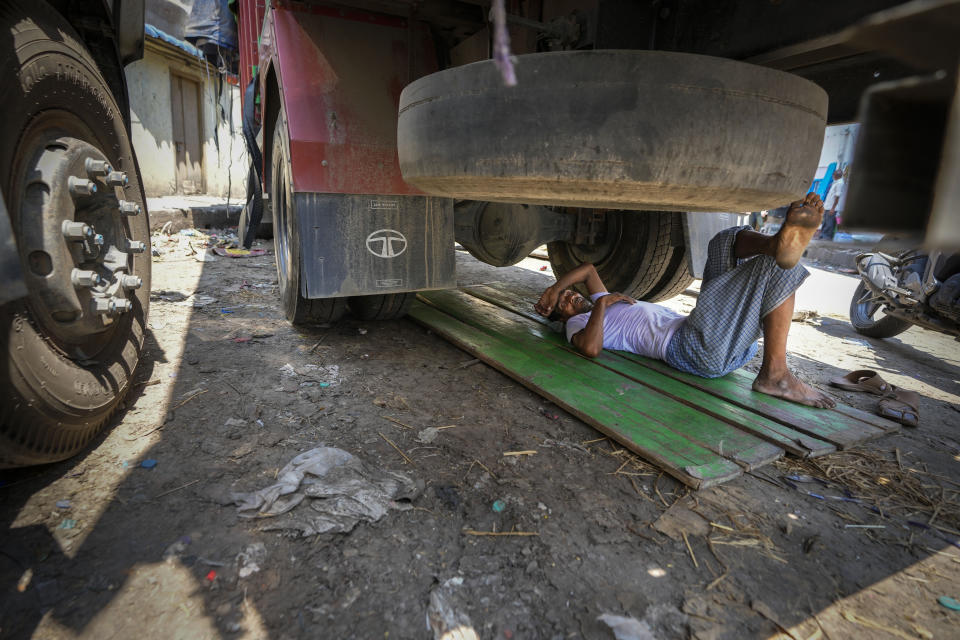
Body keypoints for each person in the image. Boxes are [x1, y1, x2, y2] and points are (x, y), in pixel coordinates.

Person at [535, 192, 836, 409]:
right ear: (562, 318)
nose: (572, 297)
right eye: (565, 303)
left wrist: (555, 288)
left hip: (710, 341)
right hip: (693, 349)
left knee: (723, 241)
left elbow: (587, 270)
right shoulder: (577, 324)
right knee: (776, 268)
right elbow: (590, 349)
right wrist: (599, 305)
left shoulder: (600, 299)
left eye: (570, 293)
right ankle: (776, 373)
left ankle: (774, 244)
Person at [817, 168, 845, 240]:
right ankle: (822, 235)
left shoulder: (840, 183)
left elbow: (837, 196)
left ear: (837, 175)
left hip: (832, 208)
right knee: (825, 222)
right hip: (828, 206)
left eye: (834, 175)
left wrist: (833, 208)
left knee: (829, 223)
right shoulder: (835, 182)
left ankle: (827, 237)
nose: (833, 176)